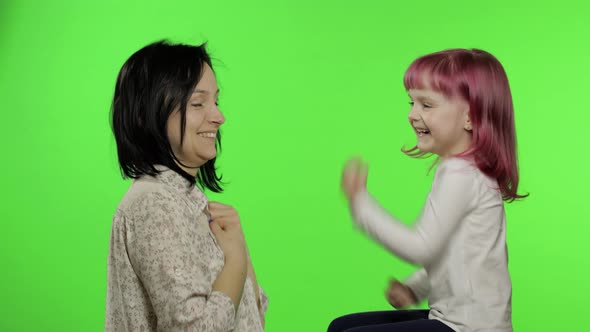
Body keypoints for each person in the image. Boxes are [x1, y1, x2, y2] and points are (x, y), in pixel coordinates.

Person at [329, 48, 527, 332]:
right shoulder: (467, 169)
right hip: (453, 319)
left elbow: (420, 247)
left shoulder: (461, 174)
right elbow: (458, 255)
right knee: (341, 327)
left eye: (426, 105)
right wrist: (414, 288)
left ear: (470, 117)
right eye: (411, 102)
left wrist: (361, 204)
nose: (412, 115)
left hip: (468, 328)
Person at [105, 40, 268, 331]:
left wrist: (239, 249)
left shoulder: (186, 199)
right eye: (197, 103)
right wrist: (236, 262)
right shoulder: (153, 205)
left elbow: (251, 316)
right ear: (148, 114)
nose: (218, 116)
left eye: (215, 101)